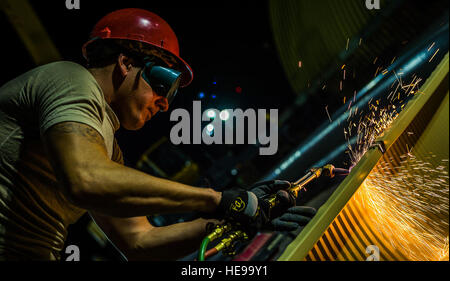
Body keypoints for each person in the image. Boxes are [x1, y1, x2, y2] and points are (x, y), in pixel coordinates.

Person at [0, 8, 316, 261]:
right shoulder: (71, 79)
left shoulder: (107, 152)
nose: (164, 104)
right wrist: (217, 200)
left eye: (173, 95)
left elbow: (140, 242)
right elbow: (85, 179)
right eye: (164, 83)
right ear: (125, 63)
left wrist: (236, 221)